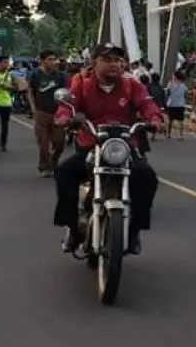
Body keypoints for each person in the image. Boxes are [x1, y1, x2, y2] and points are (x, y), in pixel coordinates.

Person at [53, 43, 164, 255]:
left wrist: (155, 118)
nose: (115, 64)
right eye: (108, 60)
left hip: (123, 146)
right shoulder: (83, 86)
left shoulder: (132, 86)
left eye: (118, 60)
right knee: (64, 173)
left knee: (146, 177)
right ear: (94, 63)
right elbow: (67, 106)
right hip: (91, 145)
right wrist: (64, 117)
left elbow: (147, 104)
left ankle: (134, 231)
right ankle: (73, 227)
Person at [27, 49, 67, 177]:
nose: (53, 62)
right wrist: (33, 109)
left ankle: (53, 161)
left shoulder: (60, 76)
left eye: (54, 59)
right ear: (42, 60)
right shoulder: (35, 75)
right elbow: (30, 92)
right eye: (50, 59)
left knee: (60, 142)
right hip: (41, 113)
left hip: (58, 113)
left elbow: (66, 91)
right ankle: (44, 166)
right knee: (43, 143)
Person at [0, 55, 15, 152]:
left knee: (5, 125)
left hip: (6, 103)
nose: (7, 64)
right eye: (4, 62)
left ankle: (3, 144)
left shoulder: (10, 75)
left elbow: (16, 87)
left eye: (7, 62)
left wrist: (8, 87)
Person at [164, 70, 189, 139]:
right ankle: (181, 135)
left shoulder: (170, 83)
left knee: (170, 120)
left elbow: (167, 93)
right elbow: (186, 94)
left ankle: (169, 134)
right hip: (180, 105)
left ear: (175, 76)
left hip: (171, 104)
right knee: (181, 121)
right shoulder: (183, 85)